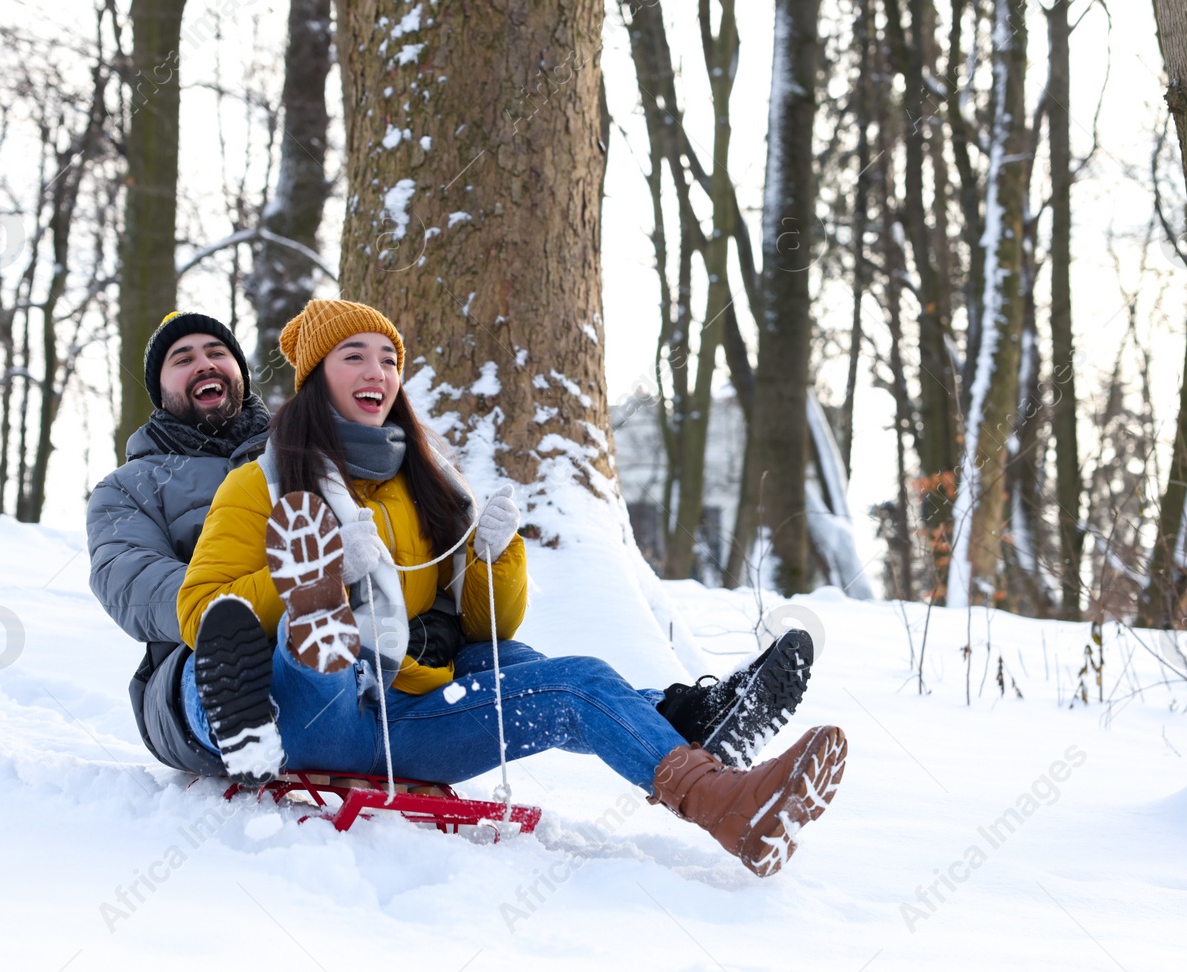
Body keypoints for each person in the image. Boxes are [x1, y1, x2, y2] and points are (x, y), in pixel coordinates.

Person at [175, 300, 846, 876]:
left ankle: (709, 771)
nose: (377, 370)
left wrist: (497, 557)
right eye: (354, 355)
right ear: (317, 376)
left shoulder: (424, 485)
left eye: (388, 357)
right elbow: (200, 612)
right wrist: (315, 575)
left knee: (540, 671)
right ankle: (695, 743)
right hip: (310, 709)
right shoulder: (260, 484)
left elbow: (488, 628)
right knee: (323, 634)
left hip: (407, 719)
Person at [85, 312, 272, 776]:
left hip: (321, 636)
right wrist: (232, 610)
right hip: (191, 667)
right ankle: (241, 725)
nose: (204, 364)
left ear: (239, 375)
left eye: (217, 353)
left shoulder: (300, 456)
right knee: (226, 660)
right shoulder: (128, 488)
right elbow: (127, 577)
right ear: (161, 391)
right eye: (182, 359)